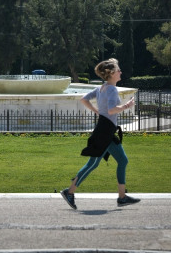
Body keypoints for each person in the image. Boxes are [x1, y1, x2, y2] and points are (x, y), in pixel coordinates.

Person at [60, 58, 140, 209]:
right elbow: (111, 110)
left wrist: (97, 111)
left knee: (122, 161)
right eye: (118, 70)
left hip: (106, 130)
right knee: (92, 164)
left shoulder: (102, 88)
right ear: (111, 73)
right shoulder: (110, 89)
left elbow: (84, 99)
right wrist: (126, 106)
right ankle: (69, 192)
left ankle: (122, 197)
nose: (120, 72)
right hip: (105, 131)